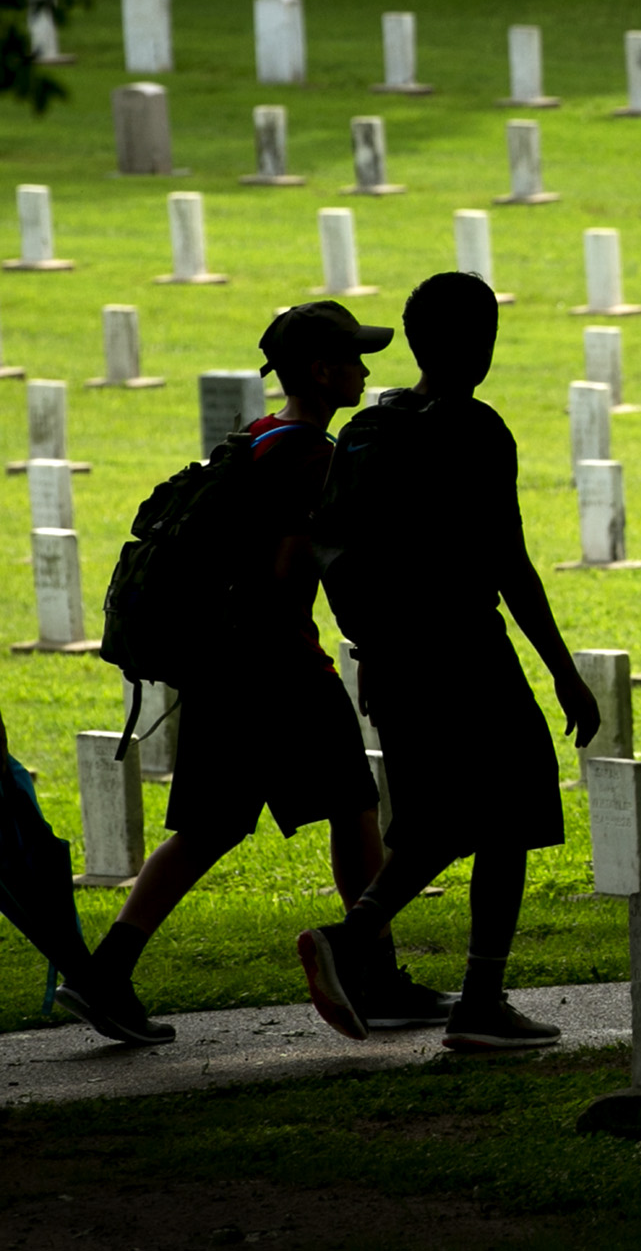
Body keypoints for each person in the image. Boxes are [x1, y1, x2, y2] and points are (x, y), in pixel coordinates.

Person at [57, 302, 426, 1047]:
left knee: (208, 828)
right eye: (354, 357)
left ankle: (104, 972)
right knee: (356, 808)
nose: (364, 369)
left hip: (220, 664)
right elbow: (291, 569)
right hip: (278, 664)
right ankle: (371, 973)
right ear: (322, 370)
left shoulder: (257, 437)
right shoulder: (312, 457)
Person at [292, 273, 602, 1050]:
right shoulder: (476, 429)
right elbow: (510, 563)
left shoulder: (369, 428)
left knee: (434, 820)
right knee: (516, 807)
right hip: (466, 651)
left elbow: (331, 547)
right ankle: (481, 1001)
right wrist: (563, 670)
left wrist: (369, 643)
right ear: (481, 343)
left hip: (393, 659)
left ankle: (350, 938)